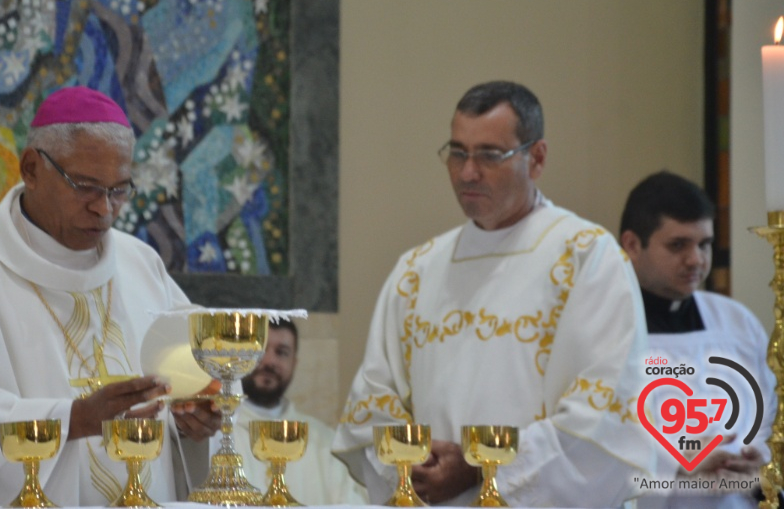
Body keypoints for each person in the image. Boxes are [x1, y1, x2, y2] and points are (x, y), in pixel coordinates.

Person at [332, 80, 656, 507]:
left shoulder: (587, 258)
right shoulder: (417, 271)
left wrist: (481, 469)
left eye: (489, 155)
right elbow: (372, 399)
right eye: (458, 152)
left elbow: (606, 414)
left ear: (536, 158)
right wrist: (410, 466)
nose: (468, 171)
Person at [0, 86, 220, 507]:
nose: (105, 210)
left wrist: (190, 423)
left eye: (119, 190)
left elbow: (187, 388)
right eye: (86, 187)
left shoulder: (141, 265)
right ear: (31, 168)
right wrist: (74, 420)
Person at [620, 171, 775, 509]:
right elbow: (592, 443)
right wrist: (676, 466)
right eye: (678, 245)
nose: (696, 260)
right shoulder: (606, 328)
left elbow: (769, 422)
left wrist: (757, 464)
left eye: (704, 244)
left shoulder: (737, 322)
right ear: (632, 245)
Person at [228, 319, 368, 505]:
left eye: (282, 352)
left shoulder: (324, 442)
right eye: (259, 349)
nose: (270, 361)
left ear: (294, 363)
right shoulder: (219, 435)